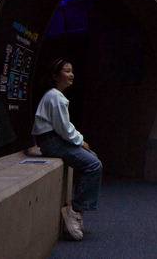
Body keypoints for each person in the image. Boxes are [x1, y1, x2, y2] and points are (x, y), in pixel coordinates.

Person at [32, 58, 102, 241]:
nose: (71, 74)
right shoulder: (55, 96)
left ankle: (77, 208)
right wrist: (80, 141)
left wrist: (79, 141)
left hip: (51, 140)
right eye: (66, 71)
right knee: (94, 165)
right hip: (52, 142)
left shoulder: (55, 95)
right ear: (55, 76)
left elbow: (64, 125)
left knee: (91, 158)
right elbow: (63, 128)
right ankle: (75, 210)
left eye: (72, 71)